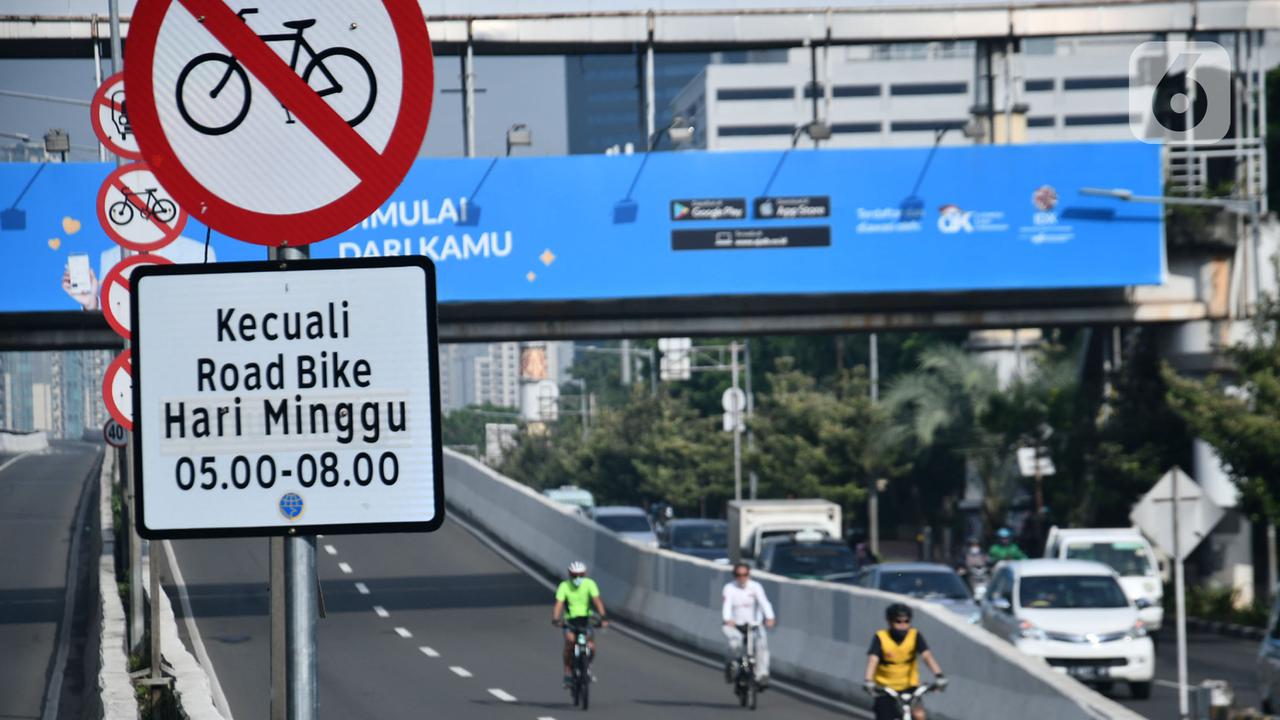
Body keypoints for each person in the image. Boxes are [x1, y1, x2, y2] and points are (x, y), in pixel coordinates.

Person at [863, 603, 946, 720]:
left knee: (919, 715)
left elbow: (927, 656)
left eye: (906, 621)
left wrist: (939, 676)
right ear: (890, 622)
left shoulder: (914, 635)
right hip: (886, 689)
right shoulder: (881, 637)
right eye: (898, 622)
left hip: (910, 686)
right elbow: (873, 659)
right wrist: (868, 680)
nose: (903, 625)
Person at [551, 560, 608, 688]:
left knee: (591, 646)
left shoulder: (590, 584)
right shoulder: (564, 586)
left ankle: (587, 667)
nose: (578, 578)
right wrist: (556, 619)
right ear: (570, 574)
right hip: (570, 621)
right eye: (574, 575)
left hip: (585, 620)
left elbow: (597, 601)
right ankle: (567, 674)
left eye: (581, 575)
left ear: (585, 574)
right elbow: (559, 604)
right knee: (570, 642)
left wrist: (603, 617)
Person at [722, 563, 776, 688]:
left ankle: (761, 675)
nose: (742, 578)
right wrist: (727, 619)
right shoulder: (729, 588)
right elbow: (726, 605)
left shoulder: (755, 587)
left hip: (753, 625)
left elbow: (764, 603)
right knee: (735, 646)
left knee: (761, 647)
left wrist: (770, 617)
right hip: (735, 625)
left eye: (745, 575)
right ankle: (733, 666)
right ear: (735, 576)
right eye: (739, 575)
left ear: (749, 575)